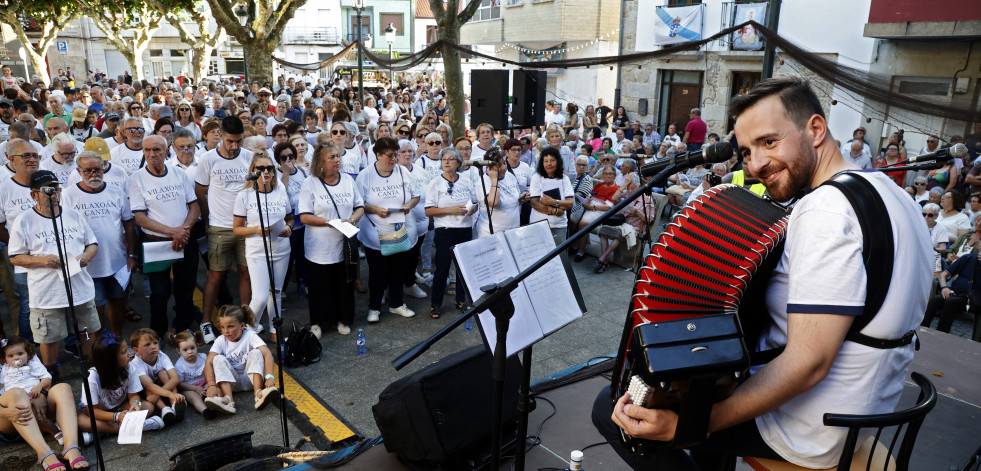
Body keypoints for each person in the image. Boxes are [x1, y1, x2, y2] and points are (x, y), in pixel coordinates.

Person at [593, 78, 932, 470]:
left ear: (816, 130)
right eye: (747, 151)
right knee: (706, 385)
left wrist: (698, 424)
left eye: (769, 142)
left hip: (809, 427)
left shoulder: (825, 211)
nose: (755, 165)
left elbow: (809, 363)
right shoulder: (895, 195)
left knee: (612, 410)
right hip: (866, 409)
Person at [9, 170, 99, 377]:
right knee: (49, 337)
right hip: (47, 293)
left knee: (85, 331)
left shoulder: (74, 215)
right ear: (34, 195)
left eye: (56, 190)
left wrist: (87, 256)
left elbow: (92, 243)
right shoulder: (24, 220)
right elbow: (15, 257)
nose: (54, 195)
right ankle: (52, 375)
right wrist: (41, 260)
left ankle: (89, 368)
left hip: (79, 287)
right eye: (47, 191)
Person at [129, 135, 201, 338]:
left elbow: (194, 207)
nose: (152, 154)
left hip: (184, 241)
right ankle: (158, 332)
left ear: (167, 150)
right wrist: (173, 232)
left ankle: (183, 327)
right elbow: (141, 219)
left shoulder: (179, 174)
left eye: (157, 150)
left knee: (185, 289)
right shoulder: (136, 179)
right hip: (156, 243)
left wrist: (184, 230)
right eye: (147, 150)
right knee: (159, 292)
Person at [61, 151, 137, 337]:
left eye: (97, 169)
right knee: (96, 308)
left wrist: (132, 255)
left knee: (118, 301)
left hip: (117, 261)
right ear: (79, 171)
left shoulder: (116, 192)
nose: (94, 174)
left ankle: (117, 337)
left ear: (103, 168)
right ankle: (100, 344)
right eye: (88, 171)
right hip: (87, 265)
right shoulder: (68, 195)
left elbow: (128, 223)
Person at [196, 117, 254, 341]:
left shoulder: (248, 157)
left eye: (239, 141)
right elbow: (200, 190)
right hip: (220, 226)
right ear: (220, 135)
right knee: (215, 275)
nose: (234, 146)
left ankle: (245, 320)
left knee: (245, 272)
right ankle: (205, 322)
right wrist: (208, 217)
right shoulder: (208, 159)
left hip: (245, 226)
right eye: (230, 141)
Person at [298, 143, 364, 335]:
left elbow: (359, 207)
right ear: (321, 162)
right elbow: (304, 216)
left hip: (343, 244)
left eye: (337, 156)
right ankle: (318, 323)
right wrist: (330, 222)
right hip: (319, 246)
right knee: (320, 286)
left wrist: (351, 220)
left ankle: (342, 320)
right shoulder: (310, 183)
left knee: (343, 284)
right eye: (332, 157)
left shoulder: (348, 181)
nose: (337, 160)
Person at [0, 336, 89, 469]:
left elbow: (45, 378)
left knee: (63, 387)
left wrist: (42, 394)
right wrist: (5, 411)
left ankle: (71, 448)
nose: (16, 357)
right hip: (10, 418)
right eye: (11, 356)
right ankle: (45, 454)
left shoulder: (22, 353)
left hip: (37, 409)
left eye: (19, 354)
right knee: (16, 393)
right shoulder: (6, 366)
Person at [356, 137, 419, 323]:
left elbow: (416, 196)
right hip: (375, 233)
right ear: (378, 155)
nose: (394, 159)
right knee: (377, 273)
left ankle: (397, 304)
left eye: (395, 155)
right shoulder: (366, 175)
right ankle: (374, 307)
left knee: (399, 270)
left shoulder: (402, 172)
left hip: (400, 230)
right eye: (390, 156)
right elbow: (359, 203)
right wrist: (375, 209)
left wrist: (409, 205)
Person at [232, 154, 294, 341]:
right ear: (253, 170)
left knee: (275, 292)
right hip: (257, 251)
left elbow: (290, 218)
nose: (265, 172)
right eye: (260, 168)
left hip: (282, 248)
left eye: (269, 168)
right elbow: (237, 229)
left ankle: (275, 330)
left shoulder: (280, 189)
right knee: (259, 296)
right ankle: (247, 334)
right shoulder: (244, 195)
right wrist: (256, 230)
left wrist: (288, 228)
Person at [424, 147, 478, 319]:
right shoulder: (435, 183)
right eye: (444, 159)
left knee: (463, 269)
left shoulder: (467, 181)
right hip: (445, 230)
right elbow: (429, 211)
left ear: (458, 163)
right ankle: (436, 304)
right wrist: (450, 210)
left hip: (464, 229)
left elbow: (475, 203)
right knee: (442, 269)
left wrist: (471, 210)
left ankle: (461, 300)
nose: (446, 162)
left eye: (451, 159)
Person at [77, 334, 165, 435]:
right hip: (101, 413)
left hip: (121, 407)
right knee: (80, 420)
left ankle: (101, 431)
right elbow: (92, 412)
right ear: (110, 359)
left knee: (148, 407)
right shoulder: (92, 378)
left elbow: (133, 395)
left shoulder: (130, 367)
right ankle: (133, 427)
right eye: (123, 352)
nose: (129, 354)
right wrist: (116, 416)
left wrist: (136, 404)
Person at [203, 305, 280, 414]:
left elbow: (267, 353)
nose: (226, 331)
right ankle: (228, 400)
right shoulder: (221, 340)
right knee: (217, 358)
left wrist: (269, 377)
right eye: (222, 327)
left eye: (230, 326)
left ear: (242, 325)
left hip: (249, 380)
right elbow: (208, 362)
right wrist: (211, 385)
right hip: (231, 383)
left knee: (257, 352)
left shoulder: (250, 335)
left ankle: (258, 394)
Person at [129, 328, 186, 425]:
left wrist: (158, 394)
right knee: (148, 388)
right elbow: (149, 386)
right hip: (146, 391)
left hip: (157, 391)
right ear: (136, 350)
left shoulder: (162, 356)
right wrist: (168, 393)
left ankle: (175, 405)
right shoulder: (136, 364)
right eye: (147, 345)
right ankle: (164, 408)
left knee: (163, 373)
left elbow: (175, 378)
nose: (153, 347)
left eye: (155, 343)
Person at [572, 164, 624, 261]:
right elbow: (590, 195)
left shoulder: (615, 189)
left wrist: (592, 207)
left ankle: (581, 250)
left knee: (584, 223)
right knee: (571, 218)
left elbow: (608, 207)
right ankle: (574, 244)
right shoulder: (599, 184)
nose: (608, 176)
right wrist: (586, 201)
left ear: (614, 175)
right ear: (602, 174)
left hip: (599, 210)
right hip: (589, 206)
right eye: (606, 173)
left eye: (610, 174)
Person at [924, 251, 981, 333]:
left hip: (974, 299)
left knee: (951, 302)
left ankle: (941, 332)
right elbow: (943, 274)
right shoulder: (968, 258)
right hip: (955, 293)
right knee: (936, 299)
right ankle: (922, 327)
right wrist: (944, 287)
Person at [167, 331, 217, 419]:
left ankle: (217, 404)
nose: (190, 352)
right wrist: (196, 389)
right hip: (190, 388)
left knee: (216, 386)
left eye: (192, 348)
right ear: (179, 351)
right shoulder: (179, 366)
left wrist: (208, 383)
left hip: (205, 383)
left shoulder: (203, 357)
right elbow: (180, 383)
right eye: (185, 350)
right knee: (193, 397)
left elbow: (210, 370)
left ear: (197, 346)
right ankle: (205, 411)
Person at [529, 147, 574, 246]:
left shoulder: (564, 179)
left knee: (560, 257)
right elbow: (534, 203)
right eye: (546, 161)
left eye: (552, 160)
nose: (549, 164)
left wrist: (552, 202)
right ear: (542, 163)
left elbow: (570, 203)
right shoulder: (536, 178)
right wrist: (557, 211)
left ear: (558, 162)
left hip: (559, 225)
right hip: (539, 224)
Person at [477, 149, 521, 238]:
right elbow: (494, 203)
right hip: (492, 234)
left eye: (504, 163)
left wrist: (522, 198)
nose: (503, 168)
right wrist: (494, 180)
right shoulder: (483, 181)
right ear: (489, 167)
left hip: (513, 231)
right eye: (498, 165)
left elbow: (515, 198)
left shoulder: (510, 176)